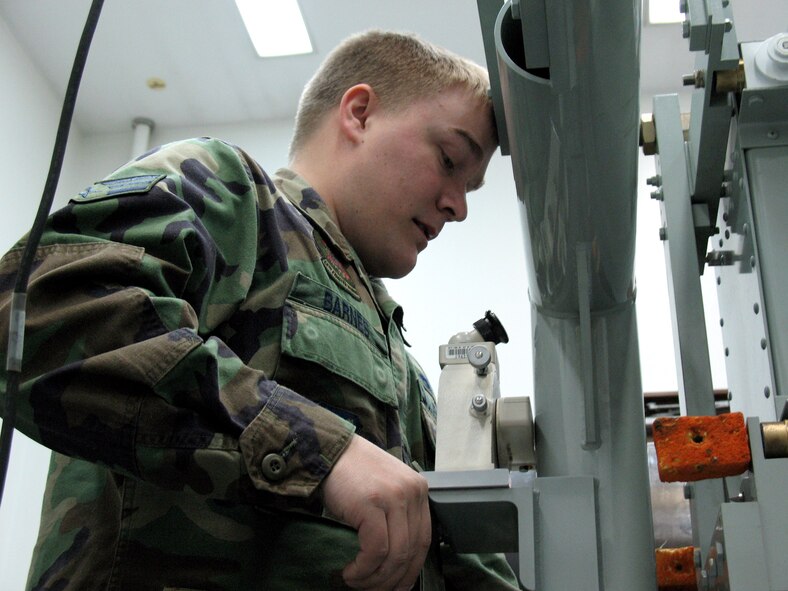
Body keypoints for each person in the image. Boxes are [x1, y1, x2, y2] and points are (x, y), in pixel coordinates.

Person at [0, 30, 519, 590]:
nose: (459, 207)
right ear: (360, 114)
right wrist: (322, 452)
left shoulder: (404, 365)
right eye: (449, 159)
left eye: (470, 188)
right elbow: (39, 306)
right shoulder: (232, 194)